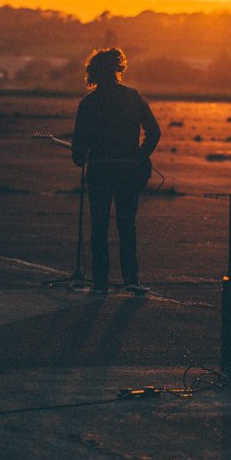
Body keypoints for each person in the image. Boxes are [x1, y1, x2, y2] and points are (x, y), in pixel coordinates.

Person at [71, 48, 161, 295]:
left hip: (99, 170)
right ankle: (131, 277)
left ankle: (100, 282)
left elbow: (78, 148)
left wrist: (81, 156)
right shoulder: (133, 97)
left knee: (99, 226)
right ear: (117, 69)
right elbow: (154, 132)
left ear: (94, 72)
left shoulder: (88, 103)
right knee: (126, 225)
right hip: (127, 170)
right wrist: (141, 155)